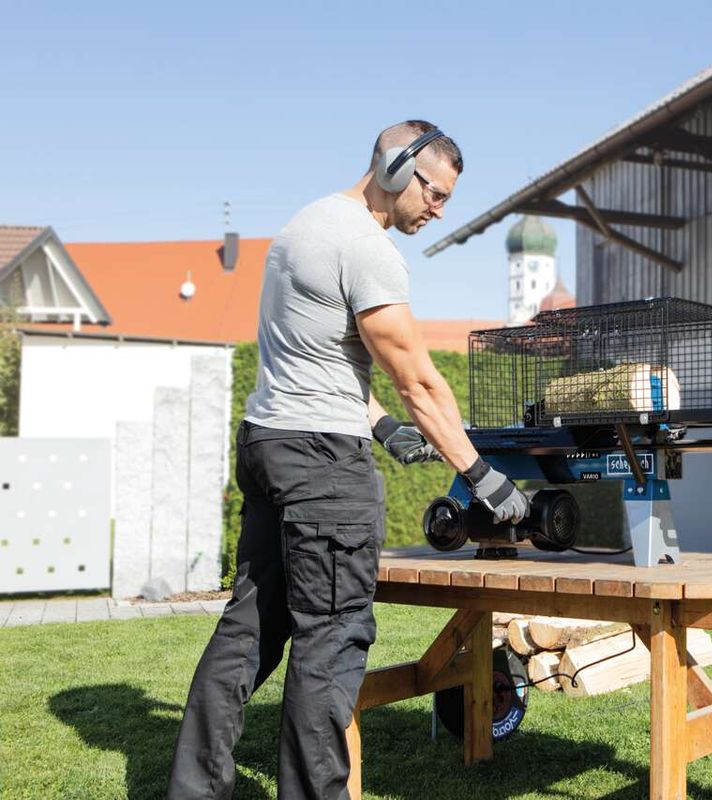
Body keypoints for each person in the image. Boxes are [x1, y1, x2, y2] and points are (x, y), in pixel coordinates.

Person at [167, 120, 529, 800]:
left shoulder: (302, 227)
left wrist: (384, 428)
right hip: (322, 464)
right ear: (394, 167)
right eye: (434, 192)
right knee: (330, 644)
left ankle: (194, 789)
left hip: (269, 441)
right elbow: (419, 379)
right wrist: (481, 475)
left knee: (250, 628)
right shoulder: (368, 248)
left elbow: (319, 357)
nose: (439, 208)